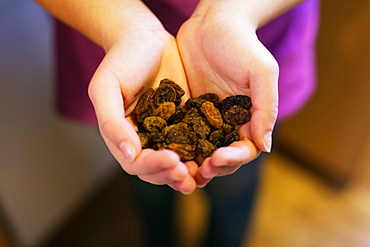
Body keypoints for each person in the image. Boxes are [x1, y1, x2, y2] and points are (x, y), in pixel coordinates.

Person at [35, 0, 320, 246]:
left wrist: (231, 14)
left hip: (251, 38)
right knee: (149, 182)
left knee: (234, 189)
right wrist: (127, 27)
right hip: (112, 32)